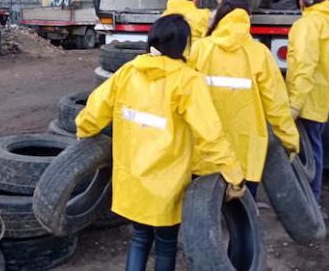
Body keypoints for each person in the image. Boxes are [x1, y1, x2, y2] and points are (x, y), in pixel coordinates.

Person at [75, 14, 245, 271]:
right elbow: (211, 135)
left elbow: (96, 107)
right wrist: (234, 175)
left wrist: (83, 129)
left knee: (140, 238)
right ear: (183, 44)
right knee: (165, 243)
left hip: (132, 178)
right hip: (167, 183)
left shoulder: (129, 72)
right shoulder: (188, 81)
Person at [188, 0, 300, 199]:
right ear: (248, 16)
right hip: (246, 151)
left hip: (205, 149)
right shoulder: (260, 54)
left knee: (201, 217)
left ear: (221, 14)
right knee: (242, 218)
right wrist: (290, 140)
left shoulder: (199, 49)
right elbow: (276, 105)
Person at [286, 0, 329, 204]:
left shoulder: (308, 25)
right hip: (322, 96)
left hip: (306, 99)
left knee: (306, 152)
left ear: (306, 1)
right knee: (314, 147)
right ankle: (312, 197)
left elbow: (305, 66)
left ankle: (308, 200)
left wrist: (294, 104)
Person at [161, 0, 230, 43]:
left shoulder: (163, 17)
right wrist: (223, 3)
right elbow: (224, 30)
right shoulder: (203, 16)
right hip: (194, 55)